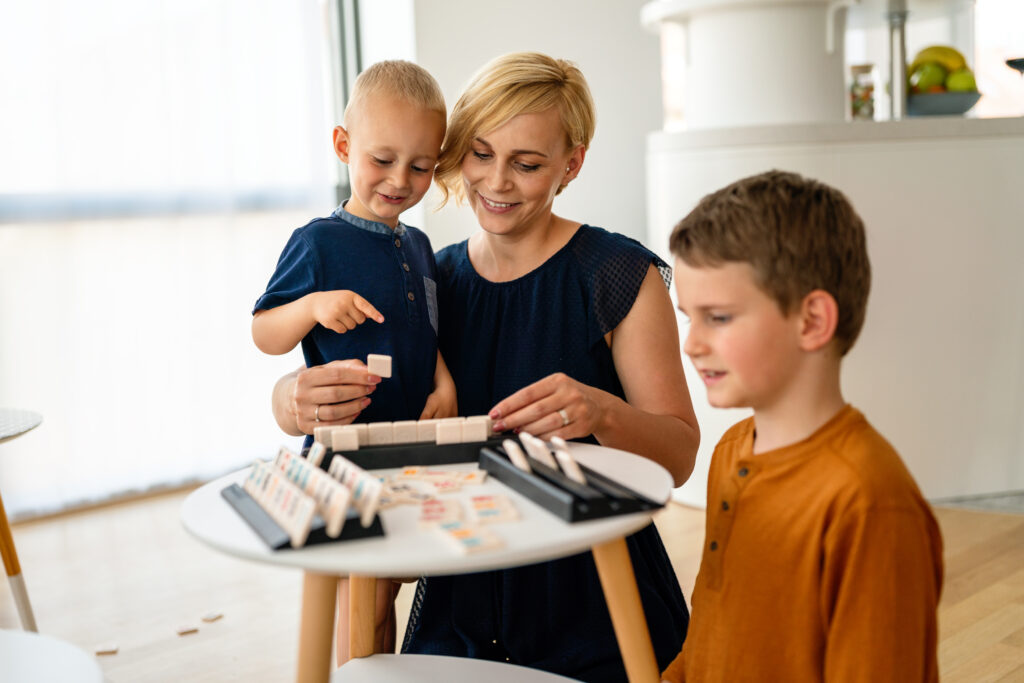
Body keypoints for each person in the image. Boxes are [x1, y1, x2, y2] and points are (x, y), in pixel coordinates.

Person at [272, 52, 700, 681]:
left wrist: (601, 411)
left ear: (571, 164)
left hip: (596, 605)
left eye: (527, 164)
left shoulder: (618, 274)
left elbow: (681, 456)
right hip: (460, 607)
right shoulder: (431, 277)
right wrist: (290, 399)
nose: (497, 182)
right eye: (480, 154)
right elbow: (346, 391)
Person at [662, 170, 943, 682]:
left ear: (812, 321)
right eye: (688, 317)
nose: (691, 344)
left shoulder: (869, 502)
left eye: (718, 317)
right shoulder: (731, 451)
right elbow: (708, 638)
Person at [253, 60, 457, 661]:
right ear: (344, 146)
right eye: (382, 159)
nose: (399, 180)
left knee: (385, 588)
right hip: (344, 454)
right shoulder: (317, 242)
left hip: (408, 451)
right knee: (357, 598)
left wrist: (443, 380)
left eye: (420, 166)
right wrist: (312, 305)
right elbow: (265, 332)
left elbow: (426, 330)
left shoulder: (419, 245)